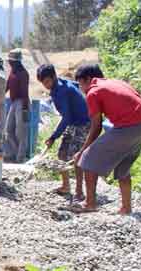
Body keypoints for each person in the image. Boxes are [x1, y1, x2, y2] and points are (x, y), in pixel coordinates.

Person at [73, 64, 141, 215]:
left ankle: (90, 203)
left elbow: (96, 126)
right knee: (123, 166)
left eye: (80, 84)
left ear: (88, 79)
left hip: (128, 126)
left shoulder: (93, 91)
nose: (81, 89)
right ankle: (126, 208)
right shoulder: (117, 83)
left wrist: (83, 150)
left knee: (87, 159)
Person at [36, 63, 91, 199]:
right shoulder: (59, 85)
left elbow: (66, 117)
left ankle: (79, 191)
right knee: (62, 153)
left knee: (76, 157)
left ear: (53, 77)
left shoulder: (62, 90)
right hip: (73, 122)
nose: (46, 85)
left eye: (47, 81)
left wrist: (54, 136)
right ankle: (66, 186)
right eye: (43, 83)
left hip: (82, 123)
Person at [2, 48, 31, 163]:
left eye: (10, 61)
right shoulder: (13, 72)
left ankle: (20, 157)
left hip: (21, 103)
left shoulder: (23, 73)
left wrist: (24, 109)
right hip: (14, 102)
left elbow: (24, 92)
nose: (9, 62)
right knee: (8, 130)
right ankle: (14, 153)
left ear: (15, 61)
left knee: (21, 132)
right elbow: (7, 85)